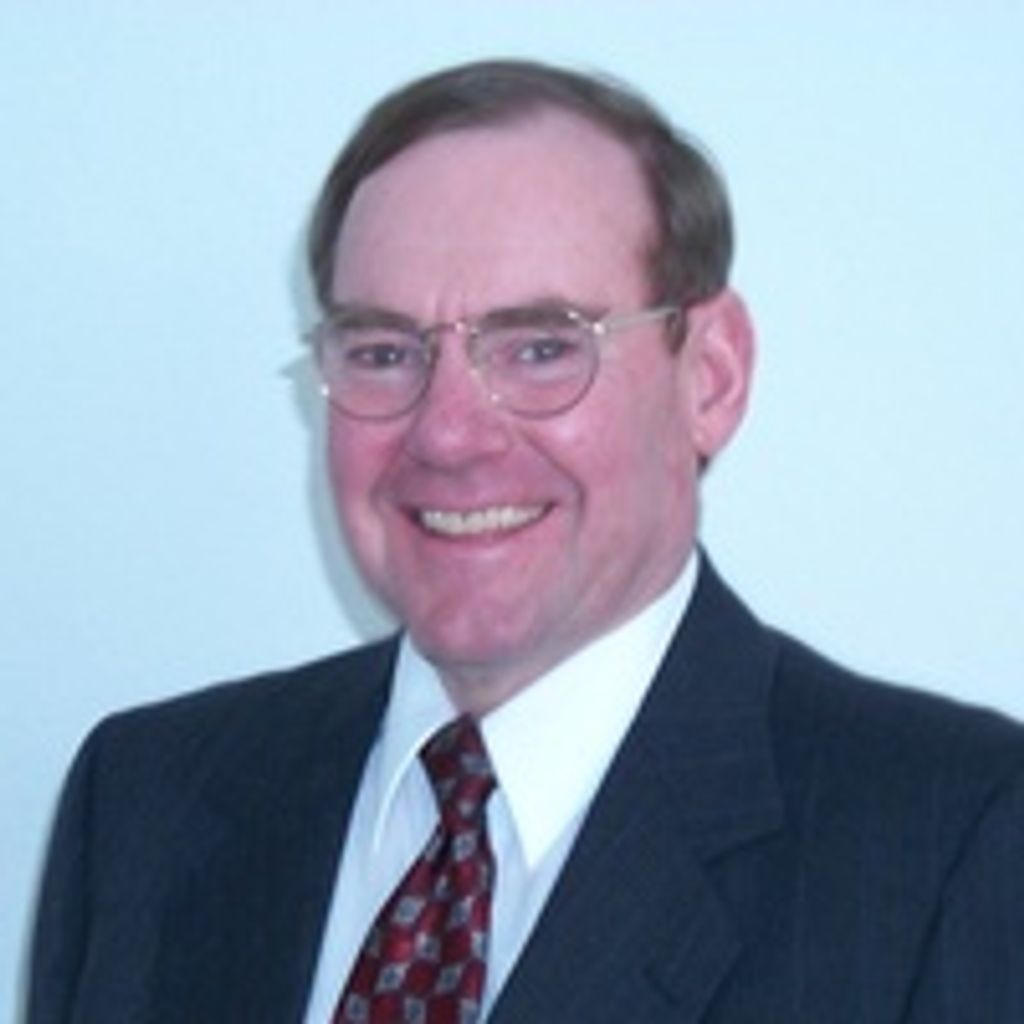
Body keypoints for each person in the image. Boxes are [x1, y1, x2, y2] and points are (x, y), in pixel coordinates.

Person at [27, 59, 1024, 1024]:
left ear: (711, 377)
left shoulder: (953, 837)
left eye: (541, 348)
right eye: (383, 352)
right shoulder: (146, 802)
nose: (449, 434)